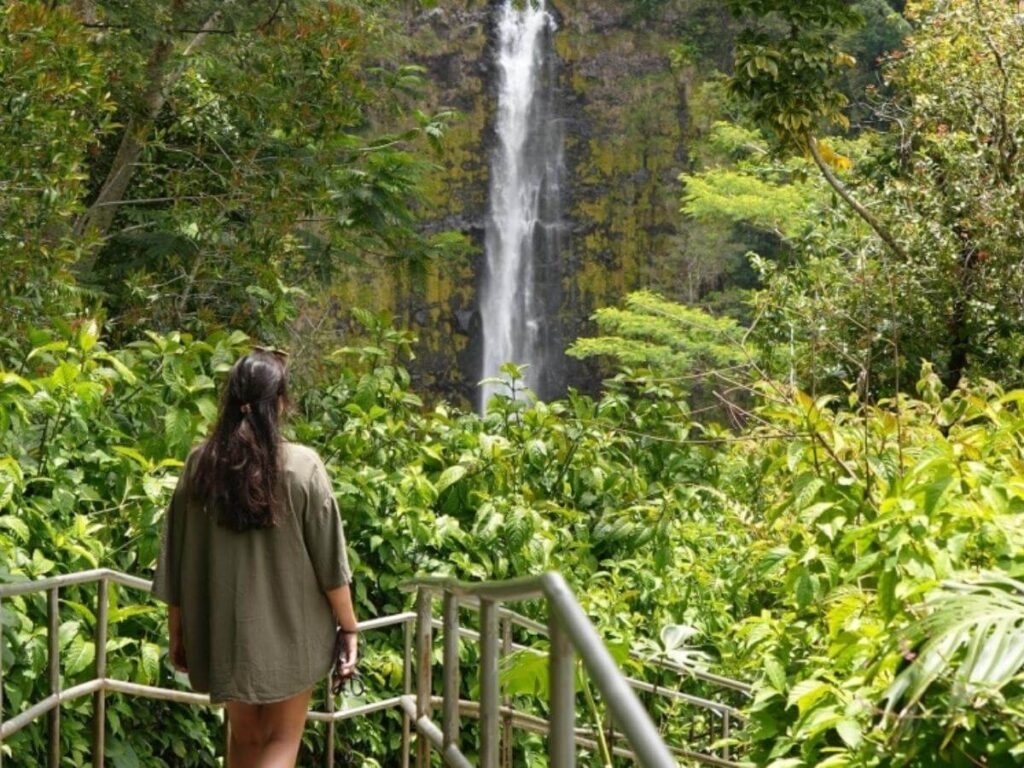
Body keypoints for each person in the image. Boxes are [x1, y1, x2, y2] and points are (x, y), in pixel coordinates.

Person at [152, 348, 358, 768]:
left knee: (243, 741)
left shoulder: (200, 466)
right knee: (283, 741)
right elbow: (331, 568)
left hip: (226, 631)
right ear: (280, 403)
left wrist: (179, 631)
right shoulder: (303, 468)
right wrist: (349, 629)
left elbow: (175, 561)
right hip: (294, 634)